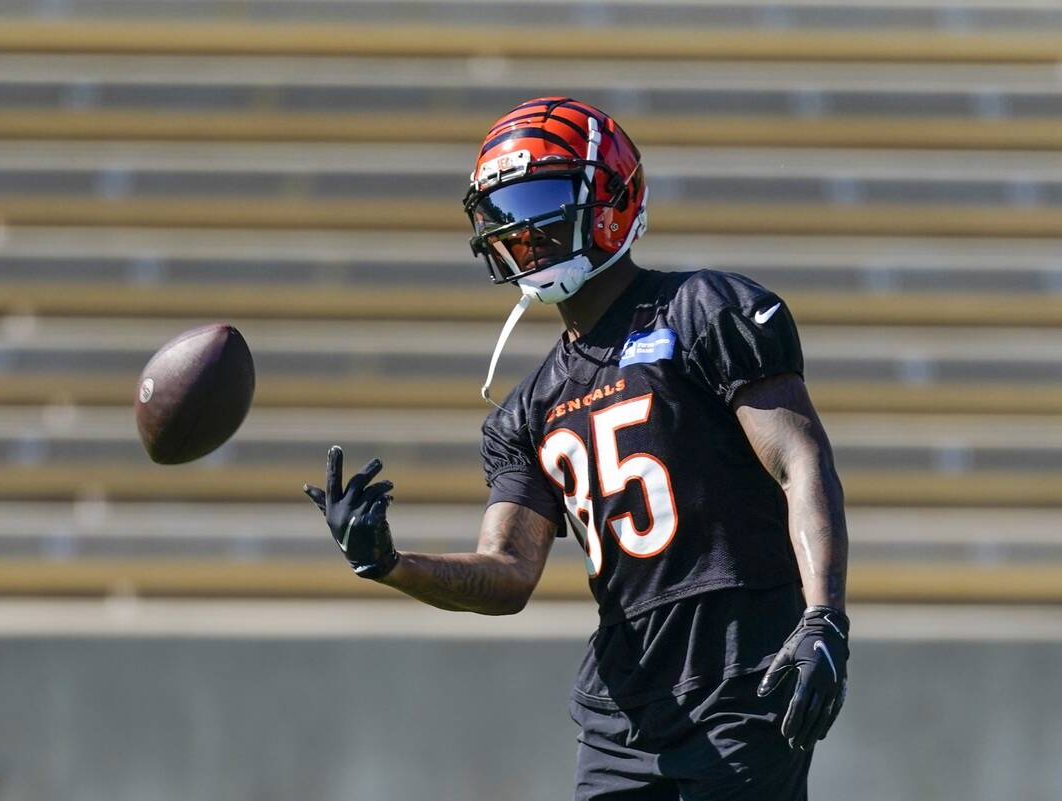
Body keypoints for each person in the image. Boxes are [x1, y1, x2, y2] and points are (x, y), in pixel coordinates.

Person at [304, 97, 849, 801]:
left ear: (608, 200)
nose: (522, 229)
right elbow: (508, 572)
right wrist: (389, 562)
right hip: (622, 708)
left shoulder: (704, 311)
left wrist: (823, 617)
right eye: (506, 211)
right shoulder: (526, 408)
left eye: (539, 200)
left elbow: (799, 459)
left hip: (740, 671)